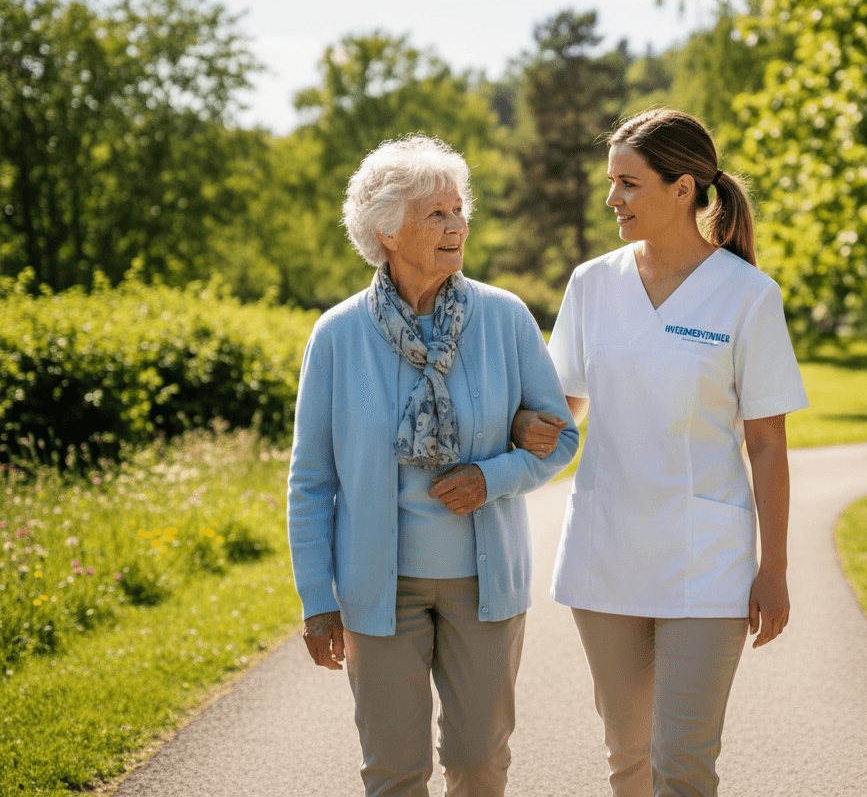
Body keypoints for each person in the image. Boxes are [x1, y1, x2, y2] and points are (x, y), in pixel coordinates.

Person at [513, 108, 808, 797]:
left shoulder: (749, 297)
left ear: (683, 189)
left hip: (705, 560)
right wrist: (522, 424)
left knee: (683, 762)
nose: (611, 198)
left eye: (628, 183)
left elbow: (765, 442)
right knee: (628, 755)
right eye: (610, 182)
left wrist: (777, 568)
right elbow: (563, 410)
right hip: (605, 551)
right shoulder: (592, 283)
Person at [288, 135, 578, 797]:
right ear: (387, 232)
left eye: (458, 210)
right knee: (394, 771)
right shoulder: (337, 335)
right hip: (377, 591)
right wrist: (316, 599)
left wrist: (491, 479)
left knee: (478, 760)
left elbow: (561, 439)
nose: (456, 227)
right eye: (436, 215)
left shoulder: (504, 318)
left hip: (486, 586)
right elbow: (311, 481)